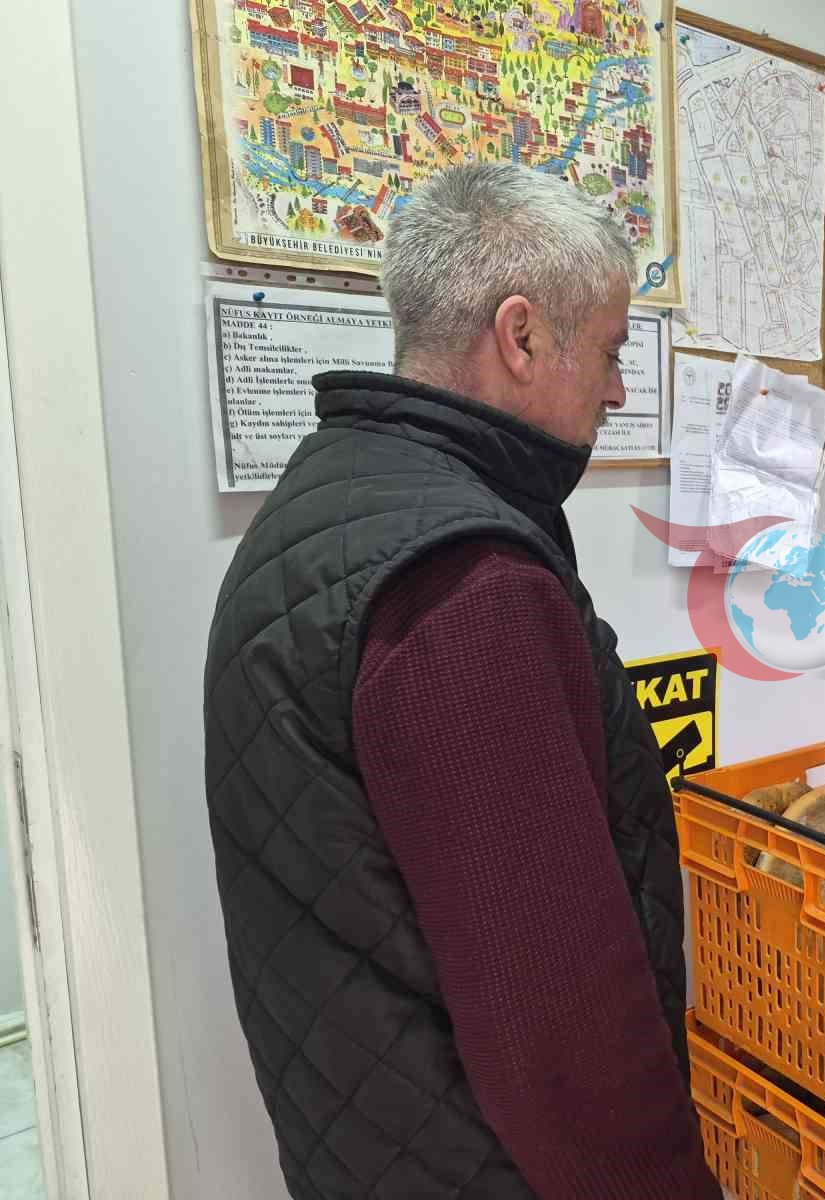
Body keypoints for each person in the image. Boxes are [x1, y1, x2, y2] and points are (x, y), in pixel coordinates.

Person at [203, 164, 721, 1200]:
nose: (620, 388)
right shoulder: (463, 583)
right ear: (521, 336)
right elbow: (562, 1023)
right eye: (613, 350)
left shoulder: (332, 497)